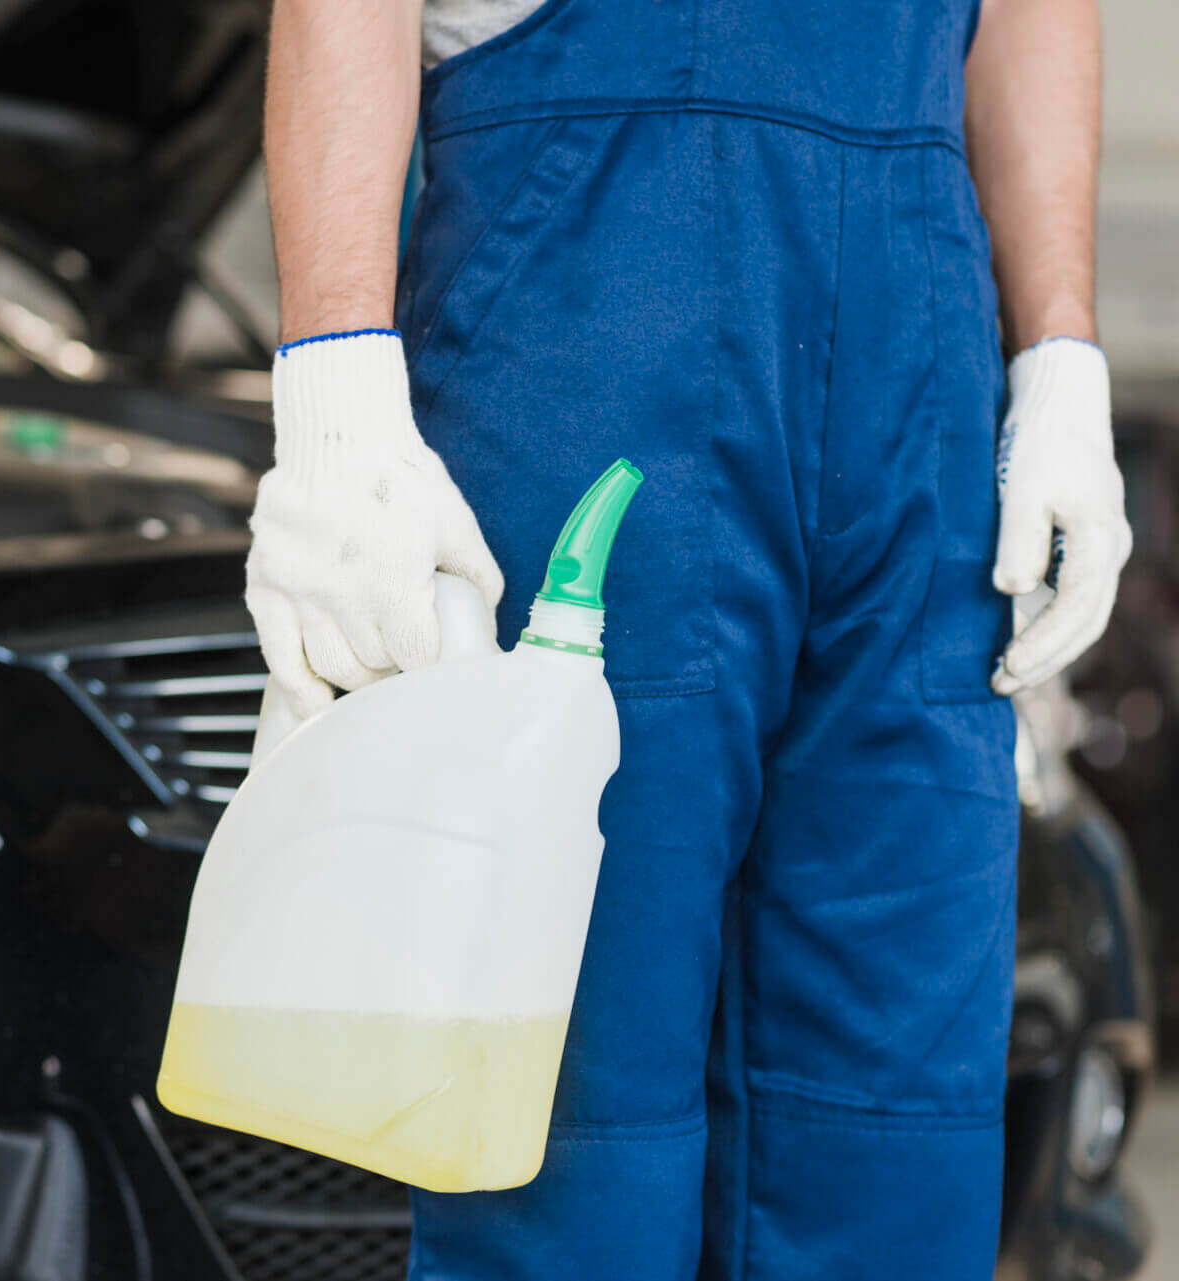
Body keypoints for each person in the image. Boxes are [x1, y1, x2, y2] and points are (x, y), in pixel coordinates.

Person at [243, 0, 1131, 1275]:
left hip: (924, 372)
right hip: (587, 303)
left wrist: (1061, 354)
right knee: (569, 1106)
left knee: (894, 1104)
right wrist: (334, 373)